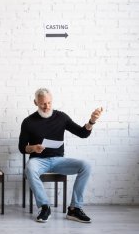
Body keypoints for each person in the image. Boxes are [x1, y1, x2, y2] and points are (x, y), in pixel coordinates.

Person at [18, 88, 103, 223]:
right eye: (43, 104)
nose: (47, 107)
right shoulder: (28, 122)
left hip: (58, 160)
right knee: (29, 168)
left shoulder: (61, 117)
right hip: (38, 160)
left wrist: (91, 121)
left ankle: (74, 209)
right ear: (35, 103)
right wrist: (33, 147)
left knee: (86, 165)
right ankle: (45, 207)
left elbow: (82, 133)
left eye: (49, 103)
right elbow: (22, 148)